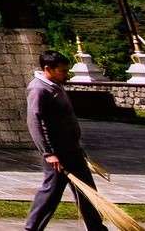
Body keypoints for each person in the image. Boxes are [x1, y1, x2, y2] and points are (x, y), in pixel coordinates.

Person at [24, 49, 106, 231]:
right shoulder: (39, 89)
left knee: (87, 191)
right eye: (62, 70)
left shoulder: (56, 85)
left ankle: (96, 228)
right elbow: (34, 122)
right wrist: (48, 153)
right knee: (51, 193)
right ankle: (32, 228)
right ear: (48, 68)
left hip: (73, 150)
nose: (65, 74)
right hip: (57, 153)